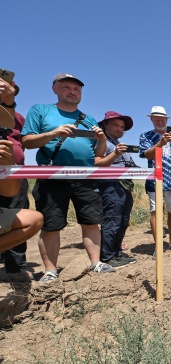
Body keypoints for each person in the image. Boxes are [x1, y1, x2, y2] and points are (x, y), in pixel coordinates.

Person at [22, 73, 114, 282]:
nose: (73, 92)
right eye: (66, 87)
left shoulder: (89, 119)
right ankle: (50, 270)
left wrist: (102, 139)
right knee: (51, 225)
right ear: (54, 89)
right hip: (52, 178)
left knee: (92, 221)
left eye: (77, 89)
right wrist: (53, 133)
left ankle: (96, 263)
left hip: (86, 179)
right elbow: (27, 141)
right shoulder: (40, 110)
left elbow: (98, 155)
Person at [139, 106, 171, 257]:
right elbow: (146, 155)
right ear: (151, 119)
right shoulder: (146, 136)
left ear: (166, 120)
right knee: (155, 211)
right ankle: (158, 245)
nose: (160, 122)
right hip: (154, 180)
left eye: (162, 119)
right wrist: (160, 143)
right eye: (157, 119)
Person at [0, 76, 34, 277]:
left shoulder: (19, 118)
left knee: (18, 217)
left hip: (15, 173)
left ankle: (15, 267)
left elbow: (23, 142)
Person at [94, 111, 137, 268]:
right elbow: (97, 162)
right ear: (105, 125)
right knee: (112, 220)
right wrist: (116, 153)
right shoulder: (101, 141)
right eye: (116, 125)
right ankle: (108, 256)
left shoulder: (116, 143)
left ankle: (116, 252)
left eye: (122, 127)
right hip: (110, 185)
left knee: (122, 220)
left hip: (123, 185)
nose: (120, 129)